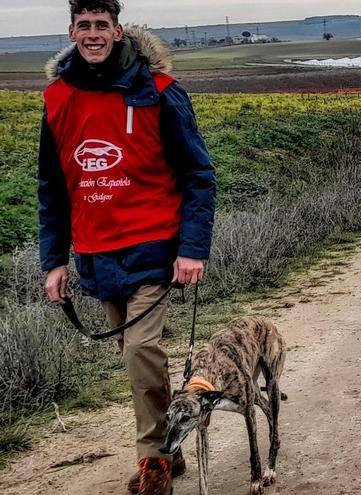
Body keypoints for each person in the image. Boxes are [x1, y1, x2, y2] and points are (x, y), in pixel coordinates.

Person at [39, 1, 216, 494]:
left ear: (118, 31)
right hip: (96, 255)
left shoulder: (160, 93)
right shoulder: (56, 98)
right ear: (72, 31)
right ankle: (171, 445)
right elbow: (51, 187)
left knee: (141, 350)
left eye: (102, 25)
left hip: (154, 247)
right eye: (84, 25)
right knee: (136, 356)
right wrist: (54, 260)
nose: (93, 34)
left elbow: (198, 175)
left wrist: (192, 248)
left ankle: (153, 462)